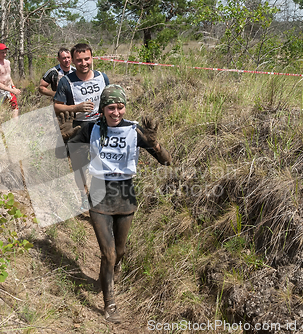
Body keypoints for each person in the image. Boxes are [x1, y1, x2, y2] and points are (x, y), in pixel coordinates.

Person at [59, 85, 172, 324]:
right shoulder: (90, 128)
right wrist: (64, 136)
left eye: (120, 107)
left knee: (119, 252)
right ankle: (110, 305)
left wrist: (155, 144)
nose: (116, 112)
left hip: (126, 195)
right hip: (100, 194)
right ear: (103, 108)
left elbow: (166, 161)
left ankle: (109, 273)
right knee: (108, 253)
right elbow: (62, 155)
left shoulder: (134, 130)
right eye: (111, 107)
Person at [54, 43, 110, 210]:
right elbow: (57, 106)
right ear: (73, 61)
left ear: (92, 58)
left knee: (101, 164)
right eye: (79, 60)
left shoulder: (102, 77)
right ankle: (83, 195)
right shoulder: (66, 81)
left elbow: (110, 99)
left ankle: (100, 198)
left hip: (100, 127)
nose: (84, 63)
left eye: (87, 59)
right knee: (80, 167)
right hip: (78, 129)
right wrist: (75, 108)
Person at [0, 43, 22, 118]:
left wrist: (13, 87)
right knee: (0, 113)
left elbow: (8, 76)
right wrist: (12, 90)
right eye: (2, 52)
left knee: (15, 108)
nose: (4, 54)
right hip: (0, 92)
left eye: (5, 52)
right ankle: (1, 128)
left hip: (9, 89)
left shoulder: (7, 62)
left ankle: (15, 127)